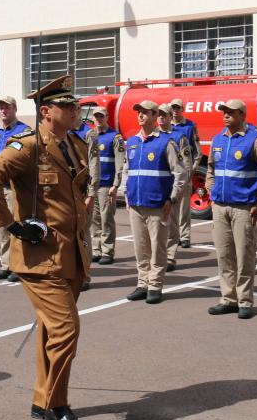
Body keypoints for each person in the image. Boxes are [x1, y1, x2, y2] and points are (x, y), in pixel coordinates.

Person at [0, 75, 91, 420]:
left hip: (71, 254)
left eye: (76, 106)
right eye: (68, 106)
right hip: (40, 258)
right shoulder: (26, 146)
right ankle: (58, 405)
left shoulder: (74, 144)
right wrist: (11, 225)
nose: (76, 111)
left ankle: (43, 401)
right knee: (65, 329)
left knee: (51, 331)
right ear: (46, 111)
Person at [204, 99, 257, 319]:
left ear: (242, 115)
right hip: (220, 206)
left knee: (244, 255)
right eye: (224, 111)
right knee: (224, 255)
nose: (226, 115)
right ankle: (228, 299)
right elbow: (210, 169)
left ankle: (245, 300)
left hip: (244, 207)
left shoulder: (255, 140)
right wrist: (211, 193)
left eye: (231, 112)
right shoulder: (218, 140)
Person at [124, 100, 186, 304]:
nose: (140, 115)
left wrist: (172, 199)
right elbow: (127, 171)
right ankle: (142, 283)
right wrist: (126, 195)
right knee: (141, 248)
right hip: (136, 204)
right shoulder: (132, 142)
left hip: (158, 205)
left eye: (145, 112)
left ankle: (155, 285)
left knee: (158, 247)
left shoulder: (166, 142)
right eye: (138, 112)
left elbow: (180, 173)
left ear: (154, 115)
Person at [0, 95, 32, 282]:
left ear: (15, 109)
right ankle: (6, 264)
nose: (3, 110)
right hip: (0, 186)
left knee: (18, 227)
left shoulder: (25, 131)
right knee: (3, 227)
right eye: (1, 108)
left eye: (6, 107)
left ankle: (19, 266)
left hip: (16, 188)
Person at [158, 103, 190, 272]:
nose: (161, 117)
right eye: (159, 114)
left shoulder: (179, 137)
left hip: (172, 188)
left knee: (171, 223)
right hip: (156, 188)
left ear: (171, 117)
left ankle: (170, 257)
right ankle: (158, 256)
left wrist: (181, 187)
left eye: (165, 114)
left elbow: (185, 163)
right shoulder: (153, 136)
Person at [90, 107, 124, 265]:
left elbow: (119, 163)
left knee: (106, 219)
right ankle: (96, 250)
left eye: (101, 116)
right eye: (96, 117)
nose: (98, 119)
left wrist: (115, 185)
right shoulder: (90, 135)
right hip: (92, 185)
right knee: (94, 220)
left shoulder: (114, 137)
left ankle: (108, 251)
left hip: (106, 185)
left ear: (107, 117)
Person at [72, 114, 98, 290]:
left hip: (82, 192)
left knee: (83, 235)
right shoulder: (64, 132)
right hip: (67, 193)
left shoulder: (88, 134)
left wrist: (91, 193)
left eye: (73, 109)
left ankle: (85, 275)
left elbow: (94, 165)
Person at [170, 98, 200, 248]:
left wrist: (193, 167)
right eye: (173, 108)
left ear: (182, 109)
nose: (175, 110)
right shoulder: (165, 126)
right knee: (172, 205)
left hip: (185, 169)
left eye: (178, 108)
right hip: (171, 171)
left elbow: (197, 150)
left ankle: (185, 236)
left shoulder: (189, 126)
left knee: (184, 206)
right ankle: (174, 235)